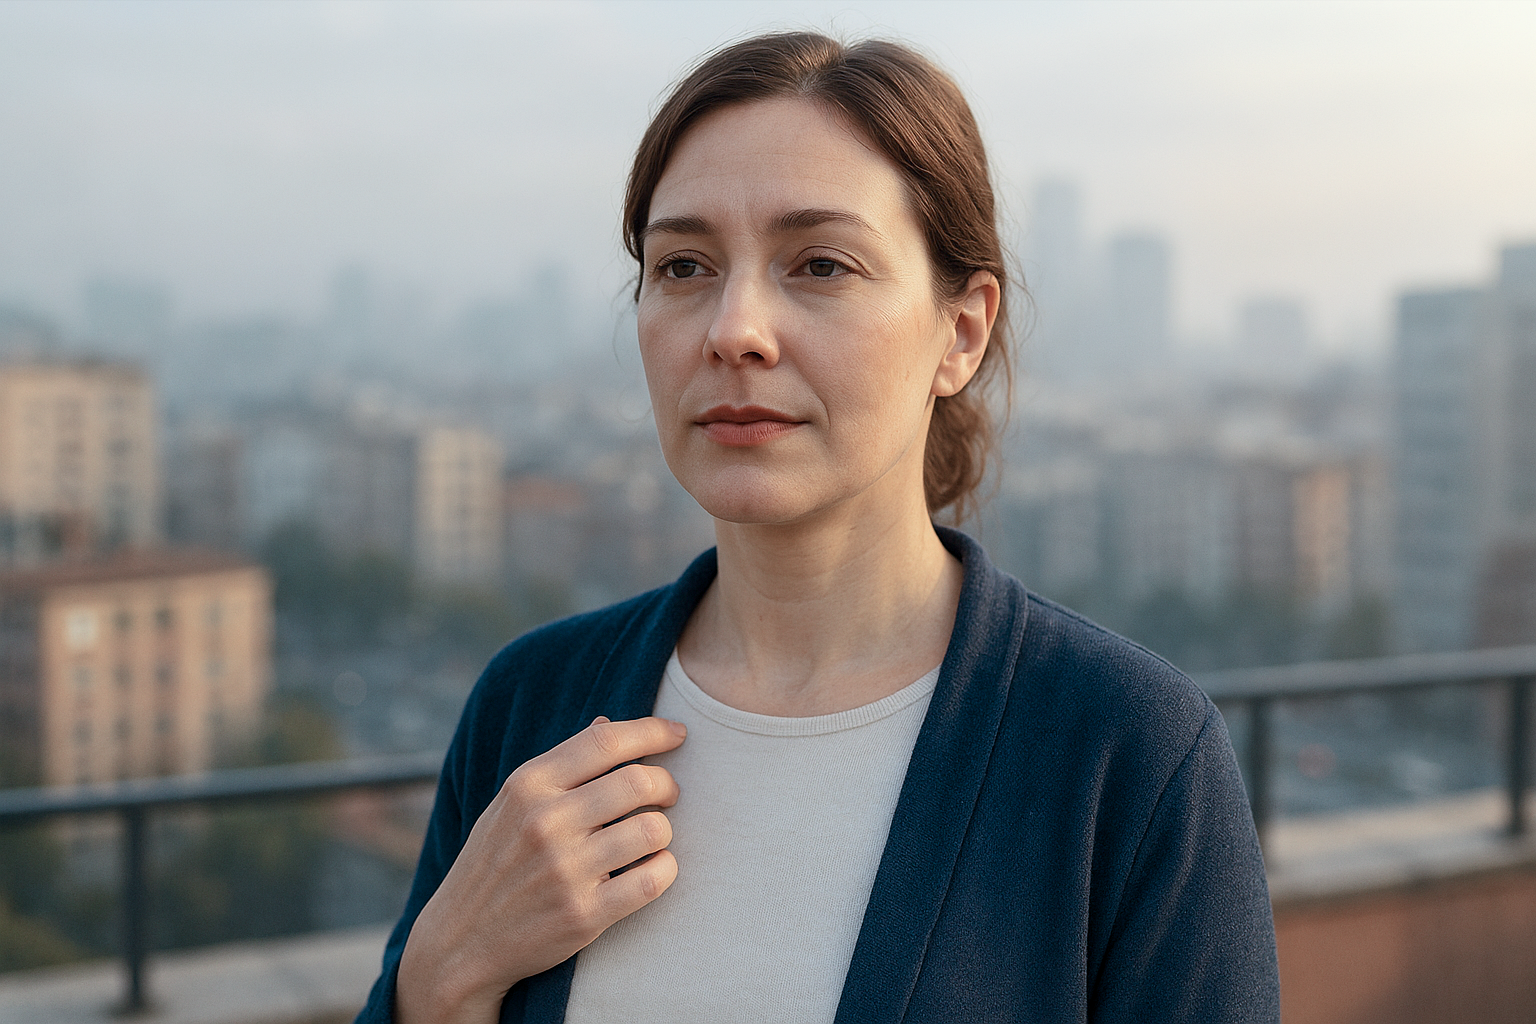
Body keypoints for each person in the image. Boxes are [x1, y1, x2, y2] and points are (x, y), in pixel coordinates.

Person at [358, 31, 1279, 1024]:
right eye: (683, 266)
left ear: (959, 332)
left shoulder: (1126, 753)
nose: (733, 328)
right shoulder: (530, 707)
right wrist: (438, 981)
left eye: (821, 264)